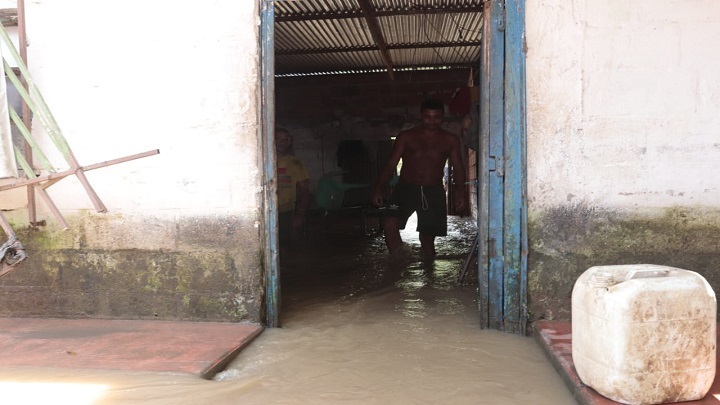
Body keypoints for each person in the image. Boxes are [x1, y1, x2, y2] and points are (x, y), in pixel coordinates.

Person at [371, 99, 466, 259]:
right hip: (405, 189)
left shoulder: (450, 140)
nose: (432, 121)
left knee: (427, 240)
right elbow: (390, 164)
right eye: (428, 117)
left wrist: (460, 192)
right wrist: (378, 188)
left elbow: (458, 168)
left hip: (432, 191)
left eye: (436, 117)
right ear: (421, 116)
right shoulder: (406, 137)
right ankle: (398, 264)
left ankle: (429, 277)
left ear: (442, 117)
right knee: (389, 223)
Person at [276, 127, 311, 250]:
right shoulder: (262, 161)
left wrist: (300, 214)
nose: (282, 142)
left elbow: (305, 191)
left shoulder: (296, 163)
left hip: (287, 213)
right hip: (267, 212)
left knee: (286, 250)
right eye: (279, 139)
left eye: (286, 139)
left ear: (290, 142)